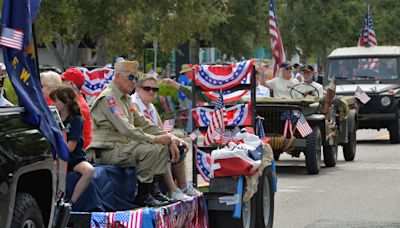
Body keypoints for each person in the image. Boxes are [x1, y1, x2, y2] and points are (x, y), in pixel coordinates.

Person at [86, 60, 182, 207]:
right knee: (150, 149)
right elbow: (126, 129)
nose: (134, 82)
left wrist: (168, 139)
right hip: (106, 150)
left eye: (136, 78)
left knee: (161, 148)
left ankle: (153, 192)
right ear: (117, 77)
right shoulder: (109, 98)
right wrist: (156, 139)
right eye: (130, 77)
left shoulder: (125, 99)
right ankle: (143, 196)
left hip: (121, 148)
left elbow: (143, 123)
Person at [131, 73, 200, 200]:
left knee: (179, 146)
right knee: (164, 147)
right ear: (138, 89)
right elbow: (140, 130)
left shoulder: (150, 106)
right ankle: (172, 189)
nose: (151, 92)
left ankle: (183, 186)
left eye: (155, 89)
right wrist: (169, 140)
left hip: (152, 139)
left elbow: (161, 129)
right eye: (147, 88)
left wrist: (174, 139)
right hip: (138, 142)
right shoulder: (134, 104)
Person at [49, 85, 94, 205]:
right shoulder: (53, 119)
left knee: (89, 171)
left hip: (74, 159)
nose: (53, 104)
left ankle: (71, 202)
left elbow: (70, 147)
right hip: (57, 158)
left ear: (66, 101)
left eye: (55, 100)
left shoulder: (76, 119)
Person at [61, 68, 92, 149]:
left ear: (71, 84)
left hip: (81, 152)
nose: (60, 83)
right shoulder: (76, 101)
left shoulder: (79, 105)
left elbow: (73, 141)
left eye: (63, 80)